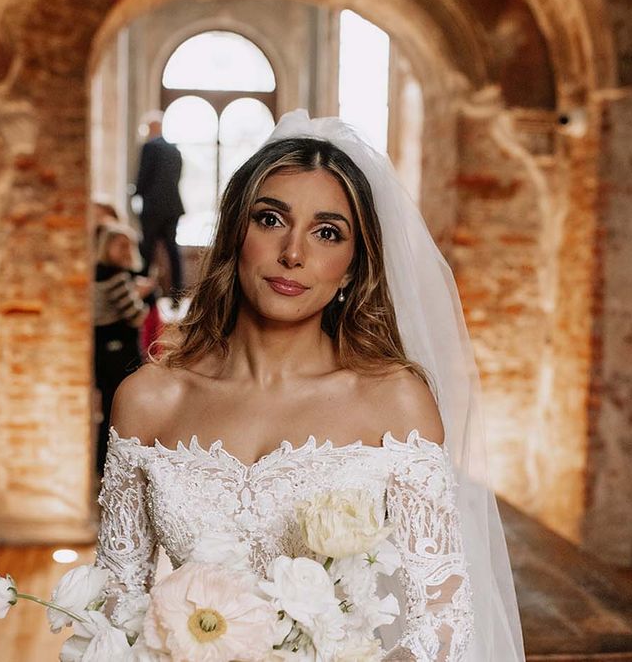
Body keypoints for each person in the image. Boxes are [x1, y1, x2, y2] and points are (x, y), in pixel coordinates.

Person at [95, 111, 524, 660]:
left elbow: (443, 627)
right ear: (234, 236)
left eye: (327, 233)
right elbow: (116, 614)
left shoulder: (394, 401)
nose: (293, 253)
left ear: (350, 267)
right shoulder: (148, 400)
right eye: (271, 220)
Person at [92, 222, 155, 476]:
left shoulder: (98, 272)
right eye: (121, 245)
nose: (127, 250)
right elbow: (136, 315)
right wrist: (141, 294)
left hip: (103, 351)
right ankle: (113, 466)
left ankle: (103, 464)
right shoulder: (116, 277)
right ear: (108, 247)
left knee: (109, 408)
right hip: (117, 352)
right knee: (118, 410)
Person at [135, 111, 185, 305]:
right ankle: (177, 295)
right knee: (173, 251)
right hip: (172, 207)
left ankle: (144, 296)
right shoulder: (175, 150)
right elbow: (177, 178)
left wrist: (137, 194)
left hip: (153, 208)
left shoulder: (149, 147)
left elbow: (143, 175)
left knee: (146, 251)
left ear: (153, 128)